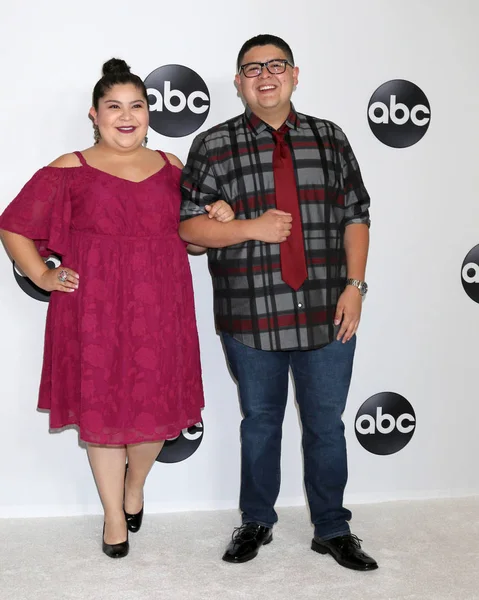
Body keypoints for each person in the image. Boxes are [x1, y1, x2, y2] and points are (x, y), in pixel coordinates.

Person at [0, 58, 233, 559]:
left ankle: (134, 487)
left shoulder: (175, 169)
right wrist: (41, 273)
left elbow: (192, 243)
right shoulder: (69, 169)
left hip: (161, 305)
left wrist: (218, 214)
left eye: (137, 106)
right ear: (94, 114)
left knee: (154, 413)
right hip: (94, 309)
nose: (126, 116)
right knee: (102, 413)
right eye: (114, 107)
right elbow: (13, 224)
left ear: (149, 114)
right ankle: (112, 515)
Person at [179, 34, 377, 571]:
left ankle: (332, 527)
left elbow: (356, 216)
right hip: (250, 310)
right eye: (251, 68)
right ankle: (257, 520)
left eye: (275, 65)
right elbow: (191, 230)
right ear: (240, 81)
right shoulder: (213, 145)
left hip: (327, 309)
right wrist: (250, 228)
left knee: (326, 424)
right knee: (260, 420)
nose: (264, 75)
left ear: (294, 74)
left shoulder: (330, 138)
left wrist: (354, 288)